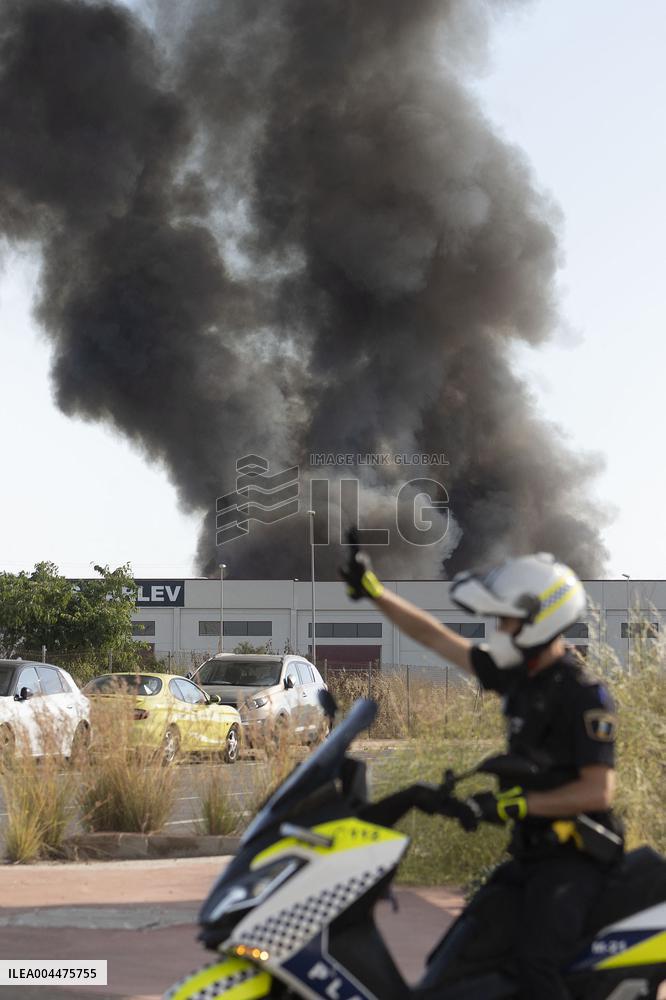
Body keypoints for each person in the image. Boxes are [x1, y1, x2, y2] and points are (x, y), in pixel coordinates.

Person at [340, 532, 623, 1000]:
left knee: (536, 964)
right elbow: (434, 636)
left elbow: (598, 791)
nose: (498, 629)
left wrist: (515, 805)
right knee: (455, 958)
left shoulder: (582, 696)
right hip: (530, 855)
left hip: (576, 860)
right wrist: (374, 592)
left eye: (505, 620)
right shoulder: (517, 677)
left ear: (540, 619)